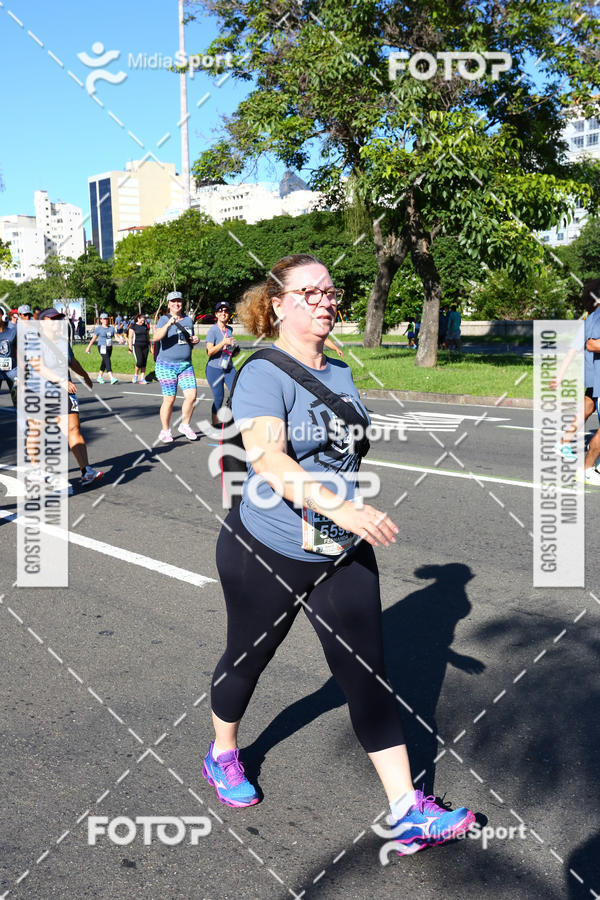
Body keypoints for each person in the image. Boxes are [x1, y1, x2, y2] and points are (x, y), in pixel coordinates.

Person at [202, 253, 475, 854]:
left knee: (367, 673)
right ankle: (223, 753)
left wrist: (344, 512)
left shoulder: (342, 371)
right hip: (267, 547)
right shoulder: (261, 373)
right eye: (311, 291)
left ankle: (406, 808)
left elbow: (345, 454)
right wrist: (343, 506)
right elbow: (270, 461)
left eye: (331, 291)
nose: (326, 300)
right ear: (277, 302)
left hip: (338, 547)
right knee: (249, 661)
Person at [25, 308, 103, 487]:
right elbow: (39, 367)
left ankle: (86, 471)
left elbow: (72, 361)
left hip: (64, 391)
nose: (57, 322)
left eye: (59, 318)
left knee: (74, 429)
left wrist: (84, 375)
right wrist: (60, 381)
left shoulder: (62, 341)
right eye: (53, 319)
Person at [153, 290, 200, 442]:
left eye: (178, 301)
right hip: (166, 365)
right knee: (169, 399)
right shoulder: (163, 319)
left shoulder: (188, 320)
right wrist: (168, 324)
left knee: (191, 396)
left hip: (185, 365)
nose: (176, 304)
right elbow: (156, 337)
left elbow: (187, 339)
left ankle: (184, 425)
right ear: (168, 304)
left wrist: (194, 340)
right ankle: (165, 430)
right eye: (173, 301)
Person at [205, 301, 238, 427]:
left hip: (229, 367)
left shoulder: (229, 329)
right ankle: (215, 424)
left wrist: (234, 349)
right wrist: (223, 343)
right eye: (220, 311)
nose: (223, 313)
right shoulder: (212, 330)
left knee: (236, 393)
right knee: (219, 398)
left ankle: (234, 421)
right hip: (214, 369)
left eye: (226, 311)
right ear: (216, 314)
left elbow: (229, 350)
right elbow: (210, 351)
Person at [85, 313, 124, 384]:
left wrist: (120, 340)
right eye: (104, 319)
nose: (105, 320)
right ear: (101, 320)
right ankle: (111, 377)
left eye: (106, 319)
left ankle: (99, 377)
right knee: (107, 360)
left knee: (104, 361)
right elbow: (93, 339)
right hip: (102, 347)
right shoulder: (98, 329)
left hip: (109, 347)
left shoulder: (111, 328)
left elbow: (115, 337)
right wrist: (88, 347)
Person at [0, 308, 17, 406]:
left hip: (12, 371)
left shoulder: (12, 332)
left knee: (17, 399)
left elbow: (17, 350)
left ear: (2, 316)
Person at [128, 310, 150, 384]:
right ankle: (135, 375)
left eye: (144, 320)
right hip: (137, 346)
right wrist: (130, 348)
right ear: (138, 319)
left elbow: (148, 336)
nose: (143, 322)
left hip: (145, 346)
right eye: (142, 320)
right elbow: (130, 337)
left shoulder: (145, 326)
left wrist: (151, 346)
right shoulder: (133, 326)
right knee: (139, 361)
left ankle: (142, 378)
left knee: (144, 362)